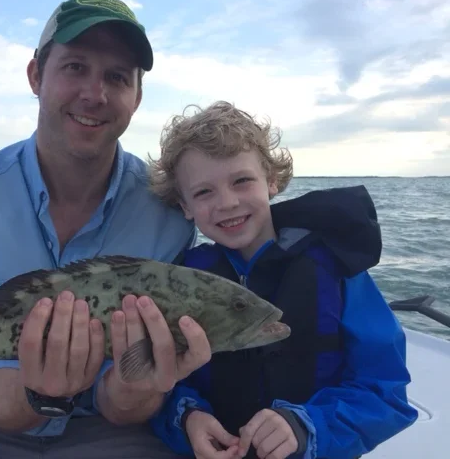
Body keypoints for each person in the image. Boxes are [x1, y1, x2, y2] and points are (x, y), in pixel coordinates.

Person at [0, 0, 213, 459]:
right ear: (35, 77)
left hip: (108, 426)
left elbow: (127, 394)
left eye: (116, 77)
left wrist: (134, 390)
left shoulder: (168, 213)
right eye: (75, 68)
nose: (95, 94)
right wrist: (40, 395)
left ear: (137, 97)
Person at [146, 101, 418, 459]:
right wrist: (187, 418)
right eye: (203, 192)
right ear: (184, 206)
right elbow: (157, 379)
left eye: (241, 181)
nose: (227, 202)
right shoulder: (181, 278)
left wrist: (307, 426)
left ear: (271, 181)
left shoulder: (338, 271)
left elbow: (386, 392)